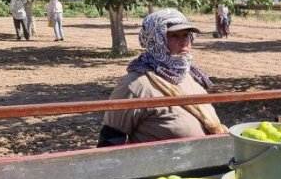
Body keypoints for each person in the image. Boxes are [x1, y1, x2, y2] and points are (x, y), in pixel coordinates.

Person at [97, 8, 228, 147]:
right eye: (173, 36)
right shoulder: (135, 86)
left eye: (185, 35)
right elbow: (109, 143)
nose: (183, 42)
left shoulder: (191, 75)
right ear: (156, 40)